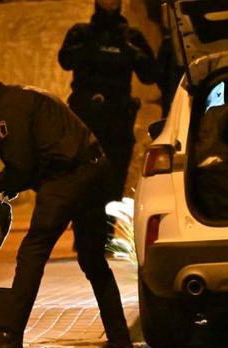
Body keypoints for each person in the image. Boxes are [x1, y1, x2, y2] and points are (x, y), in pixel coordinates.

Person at [0, 70, 137, 348]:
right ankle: (121, 345)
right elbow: (34, 159)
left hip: (68, 179)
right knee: (93, 260)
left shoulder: (4, 113)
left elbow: (22, 165)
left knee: (32, 252)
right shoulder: (22, 96)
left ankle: (8, 338)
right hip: (95, 171)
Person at [58, 0, 158, 201]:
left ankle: (107, 219)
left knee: (113, 185)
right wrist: (90, 49)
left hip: (117, 121)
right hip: (85, 121)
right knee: (83, 184)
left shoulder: (131, 37)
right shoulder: (81, 33)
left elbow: (150, 75)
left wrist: (131, 52)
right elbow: (65, 61)